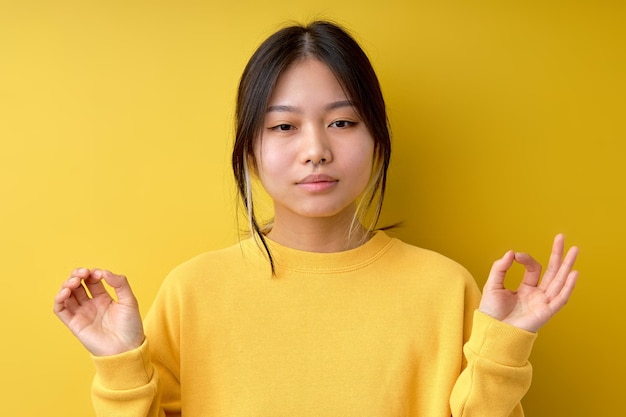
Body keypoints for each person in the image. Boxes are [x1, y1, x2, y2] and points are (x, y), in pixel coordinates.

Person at [53, 21, 579, 417]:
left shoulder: (445, 288)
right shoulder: (191, 291)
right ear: (249, 150)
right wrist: (121, 365)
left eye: (343, 121)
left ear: (377, 140)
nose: (316, 150)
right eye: (284, 126)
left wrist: (503, 351)